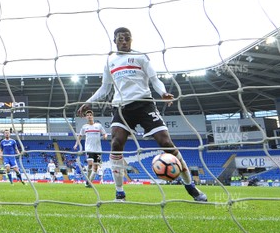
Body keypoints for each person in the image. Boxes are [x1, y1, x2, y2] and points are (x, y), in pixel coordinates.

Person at [77, 27, 207, 202]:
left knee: (166, 142)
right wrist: (89, 101)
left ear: (132, 40)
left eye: (127, 38)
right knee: (116, 143)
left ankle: (191, 186)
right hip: (122, 107)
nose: (124, 41)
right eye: (120, 39)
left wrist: (162, 93)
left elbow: (154, 79)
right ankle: (119, 192)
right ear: (114, 41)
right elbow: (105, 87)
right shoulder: (110, 61)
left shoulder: (141, 57)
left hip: (145, 104)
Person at [73, 110, 107, 187]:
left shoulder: (99, 126)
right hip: (89, 149)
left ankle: (89, 182)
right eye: (87, 115)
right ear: (86, 117)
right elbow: (80, 136)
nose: (89, 116)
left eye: (90, 115)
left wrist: (105, 136)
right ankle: (88, 180)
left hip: (98, 150)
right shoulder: (85, 127)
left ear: (93, 116)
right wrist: (76, 144)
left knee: (95, 167)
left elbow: (104, 133)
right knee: (90, 165)